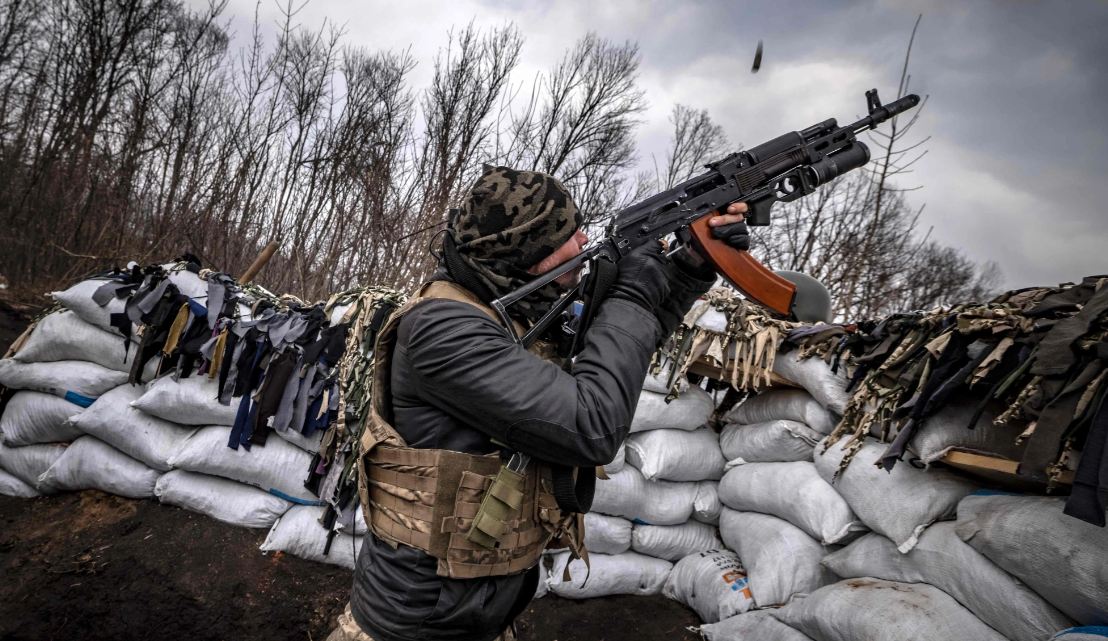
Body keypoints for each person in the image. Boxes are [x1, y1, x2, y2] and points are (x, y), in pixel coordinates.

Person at [328, 166, 749, 641]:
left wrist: (689, 267)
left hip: (481, 615)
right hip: (411, 623)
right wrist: (631, 290)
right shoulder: (441, 329)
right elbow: (593, 424)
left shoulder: (513, 314)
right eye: (567, 235)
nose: (585, 241)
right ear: (525, 252)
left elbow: (621, 353)